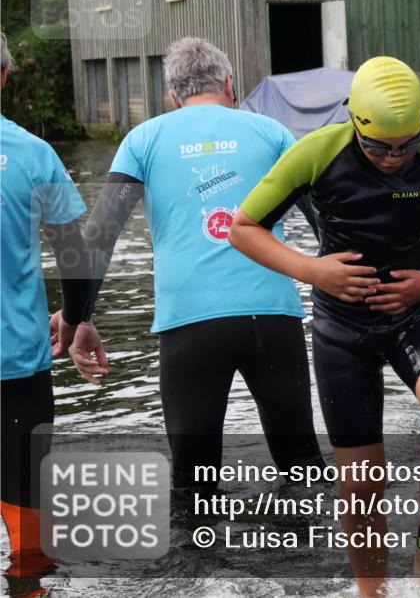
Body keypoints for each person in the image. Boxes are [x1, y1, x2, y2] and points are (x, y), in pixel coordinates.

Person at [229, 56, 420, 598]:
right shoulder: (317, 152)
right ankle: (370, 591)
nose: (394, 159)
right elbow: (244, 229)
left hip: (414, 312)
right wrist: (314, 271)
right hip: (342, 326)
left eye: (408, 145)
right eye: (379, 147)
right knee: (361, 484)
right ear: (354, 121)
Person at [63, 37, 325, 499]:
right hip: (273, 317)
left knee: (193, 482)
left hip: (190, 327)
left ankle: (199, 565)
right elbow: (326, 223)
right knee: (305, 468)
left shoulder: (143, 140)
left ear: (172, 96)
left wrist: (77, 318)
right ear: (230, 84)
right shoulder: (271, 133)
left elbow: (99, 238)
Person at [0, 31, 104, 583]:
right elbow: (76, 256)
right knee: (25, 503)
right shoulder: (33, 155)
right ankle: (27, 587)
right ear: (5, 75)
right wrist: (77, 317)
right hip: (17, 361)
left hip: (20, 360)